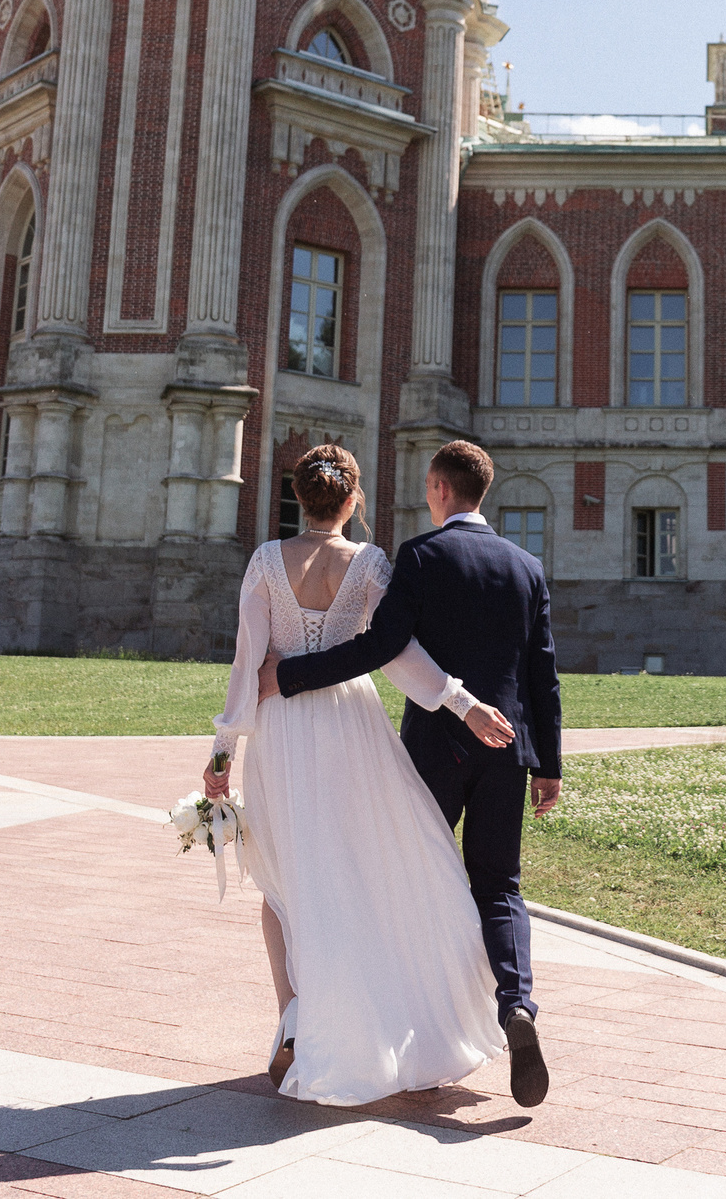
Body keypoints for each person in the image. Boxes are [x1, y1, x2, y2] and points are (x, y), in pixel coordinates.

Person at [201, 445, 515, 1106]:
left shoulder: (264, 560)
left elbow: (246, 661)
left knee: (288, 876)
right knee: (355, 867)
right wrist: (462, 701)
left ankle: (296, 1014)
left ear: (298, 497)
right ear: (353, 500)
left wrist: (223, 749)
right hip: (349, 721)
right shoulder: (370, 563)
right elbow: (397, 651)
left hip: (281, 725)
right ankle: (367, 1021)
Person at [260, 439, 565, 1110]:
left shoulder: (423, 557)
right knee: (500, 886)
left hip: (435, 746)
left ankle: (411, 1029)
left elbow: (382, 647)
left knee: (406, 881)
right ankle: (517, 1005)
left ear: (436, 487)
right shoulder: (527, 566)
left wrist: (290, 674)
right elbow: (542, 672)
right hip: (508, 747)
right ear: (481, 492)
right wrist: (549, 766)